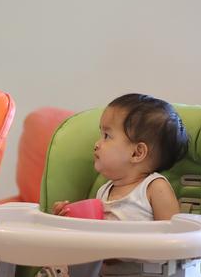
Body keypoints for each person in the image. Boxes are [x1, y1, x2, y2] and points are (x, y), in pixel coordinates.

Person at [45, 93, 189, 277]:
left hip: (145, 273)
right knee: (59, 259)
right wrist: (67, 221)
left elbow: (175, 240)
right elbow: (90, 239)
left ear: (137, 153)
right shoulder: (104, 191)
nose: (97, 144)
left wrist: (121, 249)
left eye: (106, 136)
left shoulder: (154, 188)